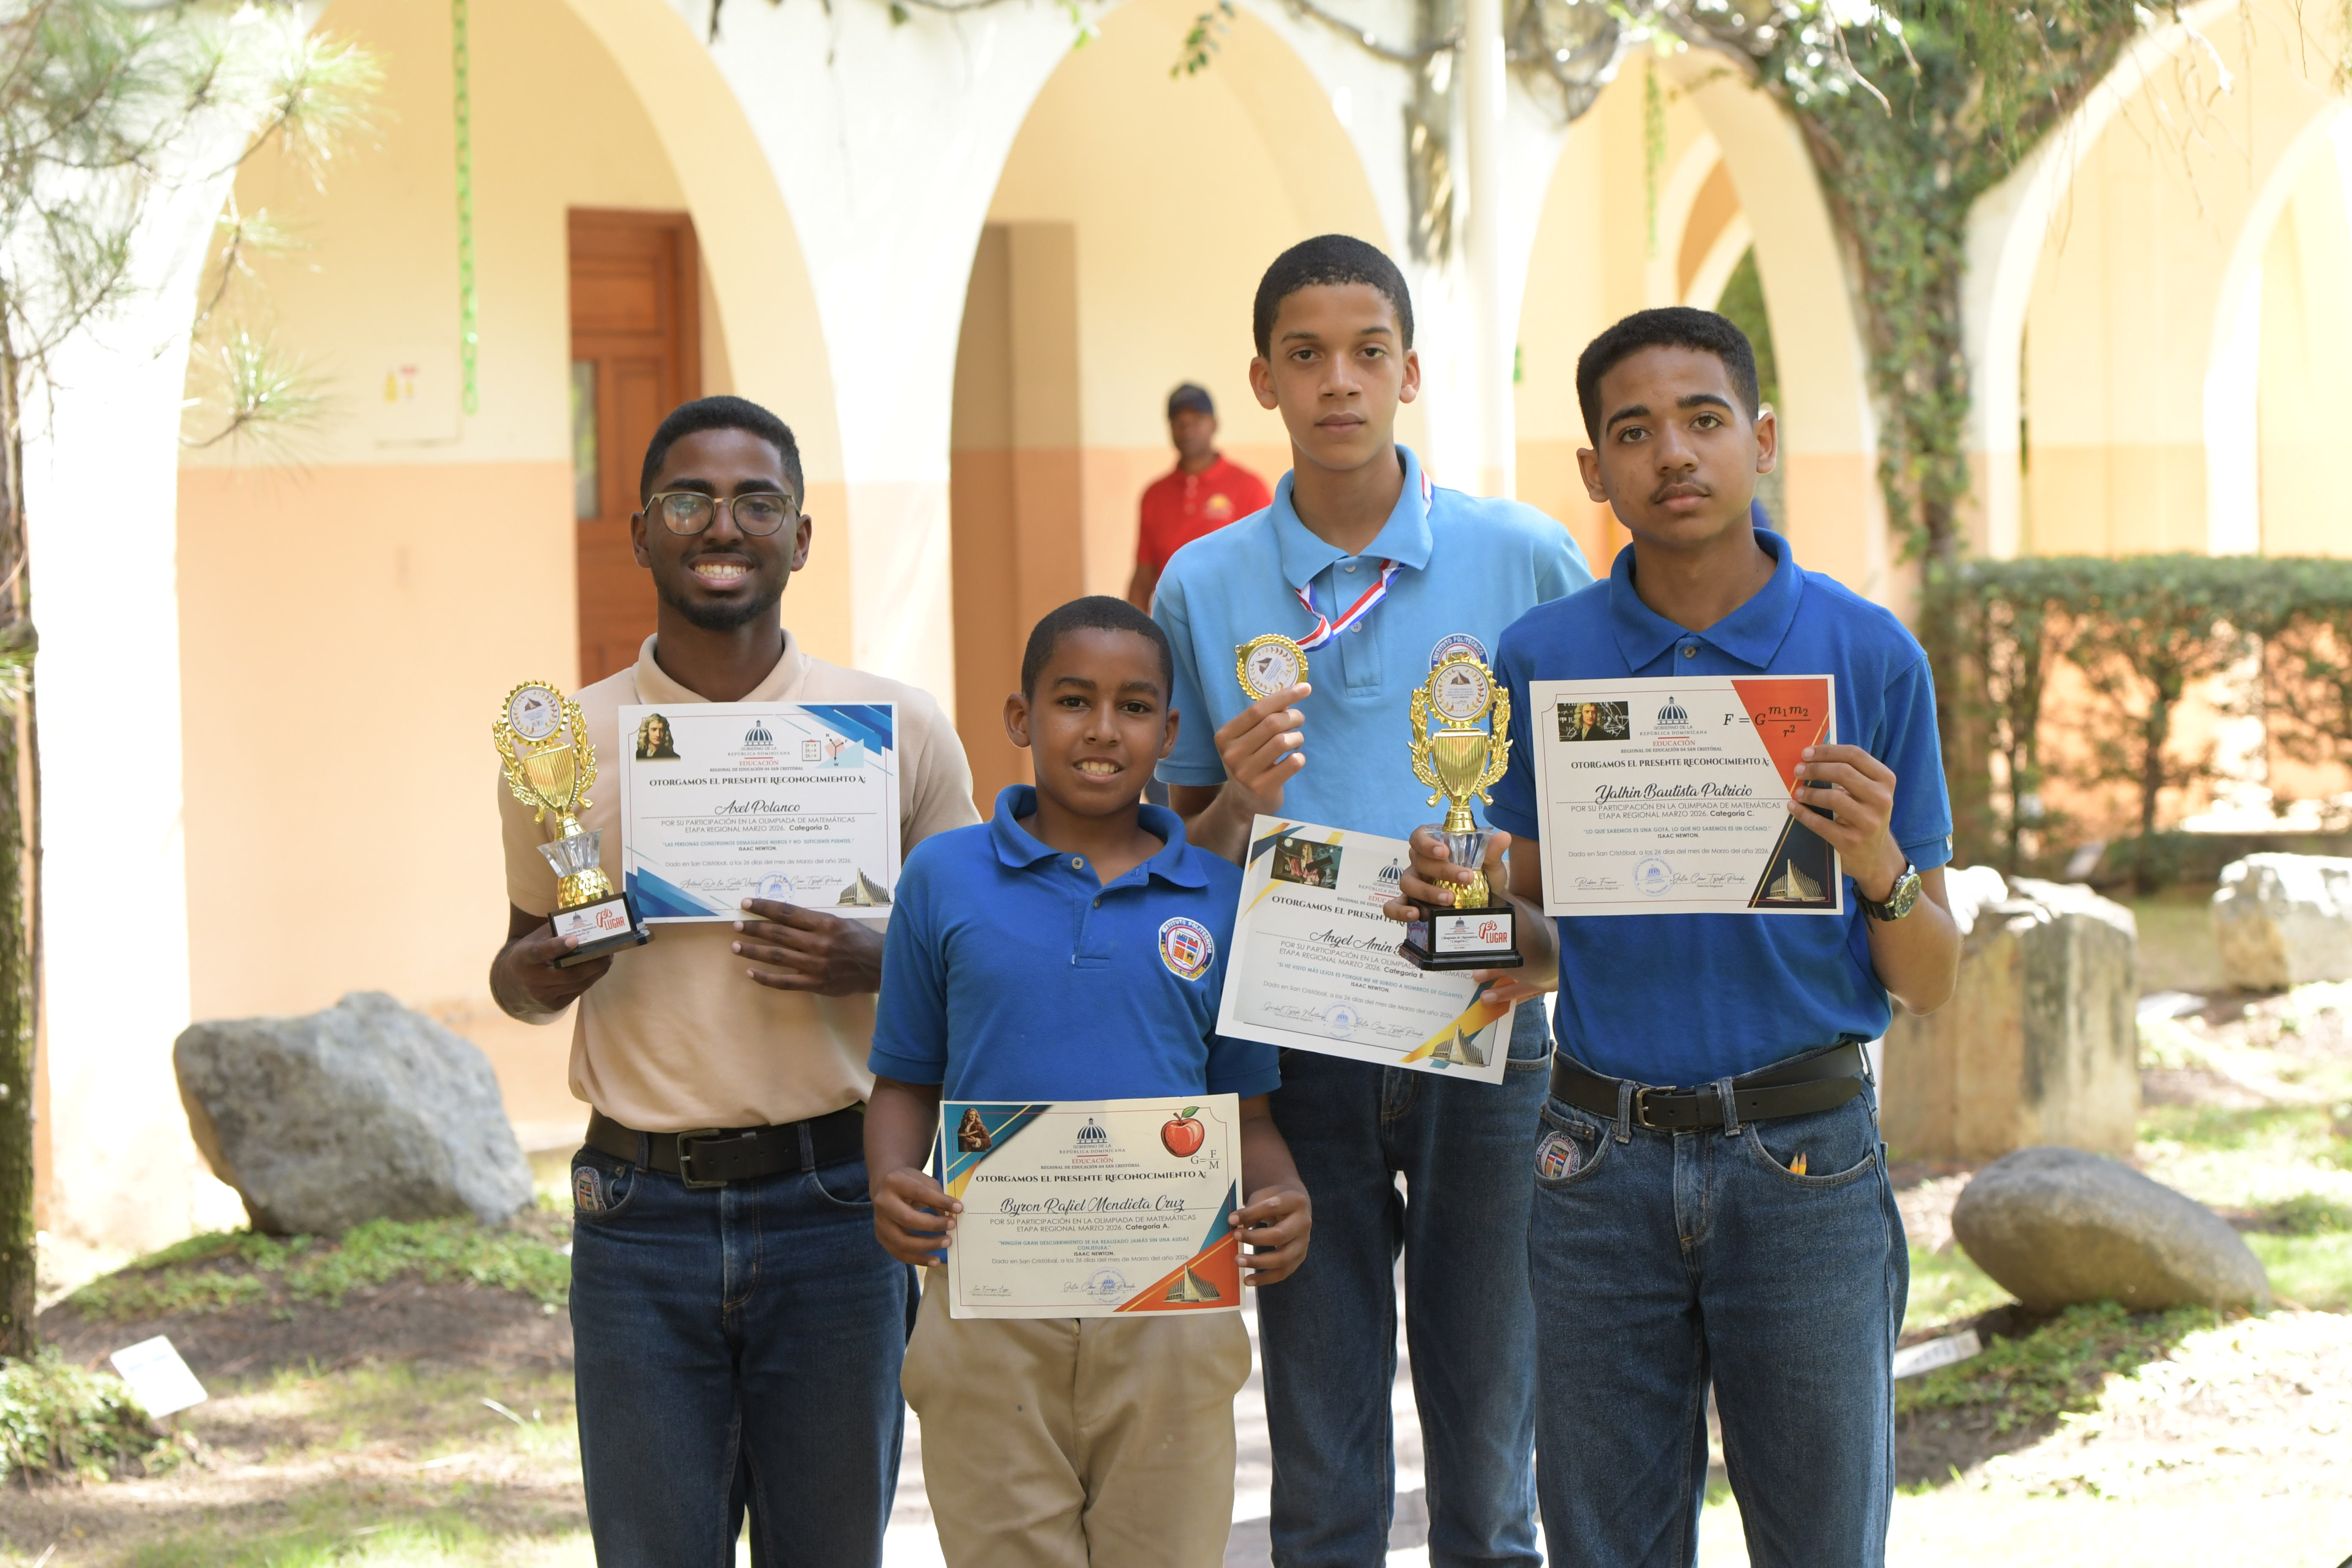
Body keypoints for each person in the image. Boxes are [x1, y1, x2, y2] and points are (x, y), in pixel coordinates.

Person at [1393, 307, 1962, 1567]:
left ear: (1761, 439)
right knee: (1603, 1544)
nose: (1673, 454)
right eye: (1633, 431)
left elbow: (1930, 974)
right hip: (1594, 1164)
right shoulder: (1542, 657)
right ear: (1594, 470)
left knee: (1821, 1544)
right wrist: (1450, 895)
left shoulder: (1867, 654)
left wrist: (1874, 861)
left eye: (1704, 420)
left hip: (1804, 1160)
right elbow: (1540, 922)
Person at [1152, 234, 1592, 1568]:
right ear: (1263, 380)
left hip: (1483, 1022)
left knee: (1490, 1439)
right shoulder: (1202, 583)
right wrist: (1237, 799)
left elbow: (1586, 813)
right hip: (1293, 1039)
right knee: (1321, 1444)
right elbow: (1183, 845)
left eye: (1367, 352)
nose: (1337, 380)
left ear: (1410, 373)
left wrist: (1529, 930)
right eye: (1305, 355)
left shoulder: (1524, 555)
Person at [488, 395, 979, 1566]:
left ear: (800, 538)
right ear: (640, 533)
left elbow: (980, 970)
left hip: (837, 1205)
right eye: (688, 500)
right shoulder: (563, 744)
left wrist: (876, 959)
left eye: (757, 502)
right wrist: (550, 969)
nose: (722, 525)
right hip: (638, 1214)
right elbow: (515, 973)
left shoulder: (898, 730)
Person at [864, 596, 1312, 1568]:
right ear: (1020, 717)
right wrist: (892, 1180)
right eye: (1073, 700)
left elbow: (1247, 1111)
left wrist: (1280, 1192)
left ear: (1169, 731)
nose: (1103, 729)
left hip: (1169, 1310)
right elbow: (903, 1077)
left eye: (1133, 706)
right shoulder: (942, 877)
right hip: (988, 1300)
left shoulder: (1222, 896)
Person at [1126, 383, 1272, 612]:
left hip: (1232, 619)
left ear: (1214, 424)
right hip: (1171, 621)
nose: (1187, 429)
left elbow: (1265, 567)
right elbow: (1143, 576)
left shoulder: (1248, 487)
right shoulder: (1154, 495)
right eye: (1179, 422)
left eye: (1196, 420)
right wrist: (1132, 627)